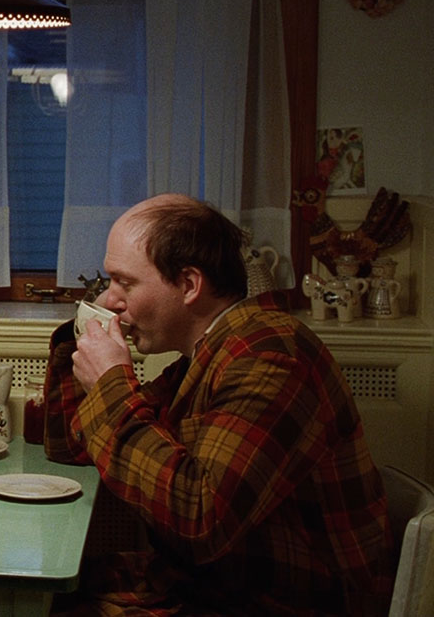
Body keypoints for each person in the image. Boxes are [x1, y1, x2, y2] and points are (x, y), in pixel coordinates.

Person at [48, 194, 395, 616]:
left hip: (278, 602)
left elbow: (199, 519)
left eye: (125, 283)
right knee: (49, 589)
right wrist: (79, 343)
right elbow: (72, 447)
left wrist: (109, 384)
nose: (109, 301)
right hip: (212, 585)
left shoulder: (268, 356)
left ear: (189, 285)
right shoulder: (209, 354)